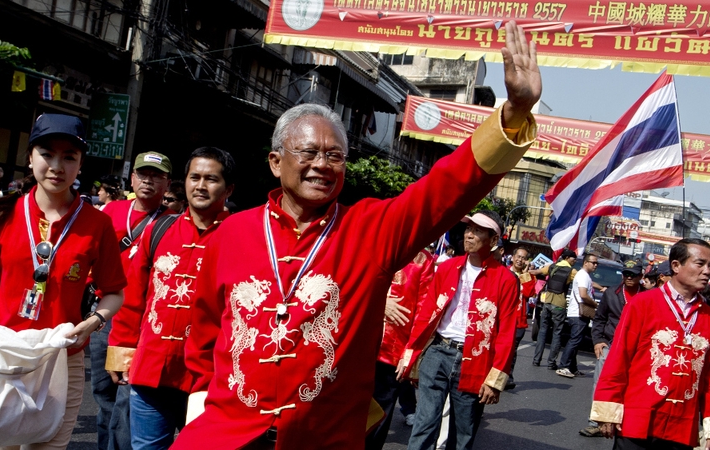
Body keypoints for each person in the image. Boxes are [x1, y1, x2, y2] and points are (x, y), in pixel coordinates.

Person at [171, 21, 540, 449]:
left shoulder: (370, 229)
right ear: (275, 161)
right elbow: (204, 332)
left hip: (323, 437)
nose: (322, 164)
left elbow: (447, 189)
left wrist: (513, 113)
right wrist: (199, 406)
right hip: (227, 434)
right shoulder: (231, 232)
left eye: (335, 156)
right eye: (308, 152)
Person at [0, 113, 127, 448]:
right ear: (30, 157)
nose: (57, 166)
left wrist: (92, 322)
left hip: (63, 360)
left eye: (69, 157)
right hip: (6, 355)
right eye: (47, 154)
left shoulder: (98, 225)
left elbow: (113, 293)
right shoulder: (1, 215)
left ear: (80, 164)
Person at [107, 147, 235, 449]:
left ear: (229, 188)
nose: (200, 186)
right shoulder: (160, 229)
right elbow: (133, 295)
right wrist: (120, 351)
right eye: (194, 177)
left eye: (211, 179)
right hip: (151, 372)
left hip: (210, 380)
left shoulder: (241, 236)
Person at [398, 211, 518, 450]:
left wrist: (495, 380)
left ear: (494, 240)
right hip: (438, 352)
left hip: (475, 361)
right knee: (424, 425)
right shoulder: (447, 268)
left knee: (463, 433)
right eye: (468, 229)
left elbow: (507, 332)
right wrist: (410, 354)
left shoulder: (505, 279)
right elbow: (426, 314)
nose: (469, 235)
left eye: (478, 231)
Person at [592, 238, 710, 450]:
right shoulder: (643, 304)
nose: (707, 271)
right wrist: (608, 408)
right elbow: (619, 358)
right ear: (676, 265)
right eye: (700, 264)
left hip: (682, 427)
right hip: (637, 421)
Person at [90, 151, 173, 450]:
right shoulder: (110, 212)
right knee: (104, 398)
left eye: (157, 176)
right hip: (104, 317)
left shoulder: (171, 223)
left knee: (126, 400)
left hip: (139, 323)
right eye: (143, 174)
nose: (148, 180)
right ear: (132, 177)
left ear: (167, 183)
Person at [365, 249, 434, 450]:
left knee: (379, 413)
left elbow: (423, 311)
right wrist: (380, 301)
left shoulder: (423, 260)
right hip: (357, 344)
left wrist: (410, 352)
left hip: (392, 350)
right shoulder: (371, 243)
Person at [579, 260, 643, 437]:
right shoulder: (611, 294)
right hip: (610, 343)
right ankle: (595, 422)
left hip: (636, 349)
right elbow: (599, 318)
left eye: (633, 274)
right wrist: (598, 340)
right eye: (626, 274)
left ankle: (623, 421)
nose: (629, 277)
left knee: (631, 386)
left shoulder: (646, 296)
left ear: (641, 276)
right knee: (600, 382)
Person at [530, 249, 577, 369]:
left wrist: (528, 269)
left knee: (542, 331)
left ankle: (536, 359)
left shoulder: (552, 266)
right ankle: (551, 363)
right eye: (573, 258)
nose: (575, 261)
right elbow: (584, 282)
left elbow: (536, 272)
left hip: (547, 302)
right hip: (559, 305)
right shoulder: (572, 271)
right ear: (567, 258)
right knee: (557, 333)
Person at [556, 252, 599, 378]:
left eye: (597, 263)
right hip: (578, 314)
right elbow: (583, 295)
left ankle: (572, 367)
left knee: (577, 339)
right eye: (593, 262)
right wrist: (595, 305)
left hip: (579, 314)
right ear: (586, 262)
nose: (596, 265)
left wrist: (601, 288)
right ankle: (563, 366)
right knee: (574, 340)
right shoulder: (582, 276)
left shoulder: (585, 276)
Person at [507, 246, 535, 389]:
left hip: (519, 320)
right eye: (518, 256)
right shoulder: (504, 272)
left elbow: (530, 293)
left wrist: (525, 275)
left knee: (512, 350)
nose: (520, 260)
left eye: (523, 258)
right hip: (504, 318)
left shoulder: (528, 277)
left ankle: (507, 377)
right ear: (512, 257)